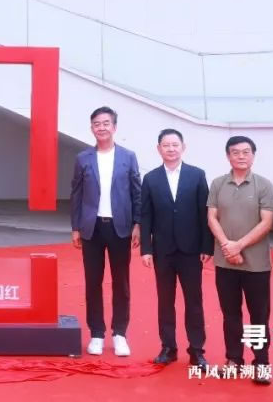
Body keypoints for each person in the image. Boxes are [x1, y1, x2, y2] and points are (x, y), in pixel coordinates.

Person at [70, 106, 141, 357]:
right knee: (93, 282)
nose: (101, 128)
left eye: (106, 123)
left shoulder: (128, 157)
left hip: (120, 227)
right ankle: (97, 334)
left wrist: (138, 224)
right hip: (92, 228)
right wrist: (76, 227)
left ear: (114, 127)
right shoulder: (83, 158)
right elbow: (76, 194)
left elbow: (137, 193)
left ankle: (120, 333)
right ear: (92, 128)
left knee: (121, 282)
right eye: (97, 124)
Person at [139, 129, 212, 370]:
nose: (171, 149)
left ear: (183, 147)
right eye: (166, 145)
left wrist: (207, 245)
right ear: (159, 148)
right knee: (165, 301)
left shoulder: (197, 175)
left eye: (175, 145)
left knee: (194, 301)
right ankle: (168, 348)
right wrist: (146, 249)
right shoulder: (150, 178)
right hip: (163, 250)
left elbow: (204, 213)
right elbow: (146, 216)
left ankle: (197, 351)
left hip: (191, 250)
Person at [207, 135, 273, 385]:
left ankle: (261, 363)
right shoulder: (217, 184)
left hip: (256, 265)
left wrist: (239, 245)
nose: (241, 156)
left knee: (259, 315)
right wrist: (227, 245)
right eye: (235, 152)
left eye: (246, 152)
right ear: (228, 156)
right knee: (231, 314)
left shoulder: (264, 185)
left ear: (253, 156)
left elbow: (266, 222)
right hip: (225, 262)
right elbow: (212, 217)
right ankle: (234, 359)